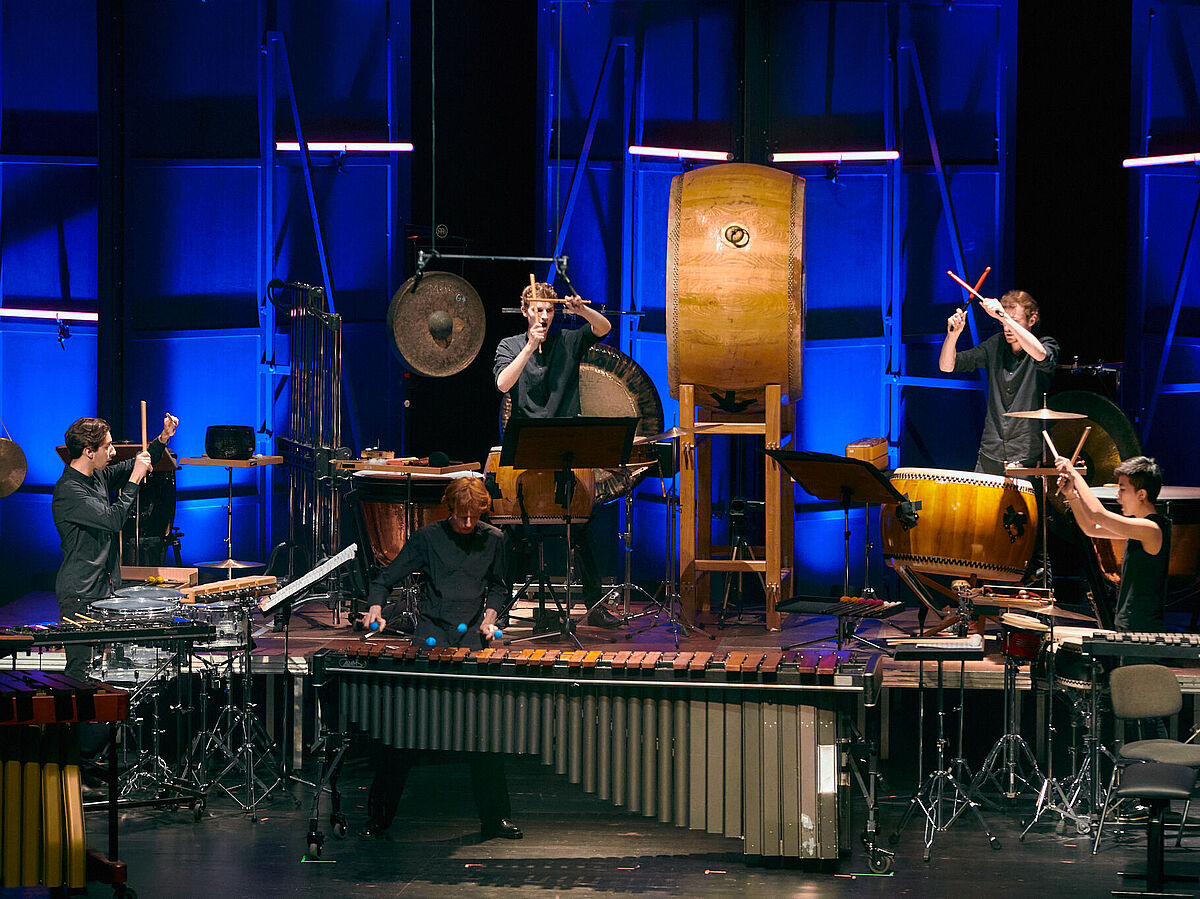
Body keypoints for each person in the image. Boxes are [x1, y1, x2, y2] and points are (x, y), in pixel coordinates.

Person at [361, 477, 521, 841]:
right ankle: (379, 817)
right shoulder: (427, 539)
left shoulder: (494, 539)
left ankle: (495, 818)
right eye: (461, 516)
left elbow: (499, 586)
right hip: (430, 639)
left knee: (485, 734)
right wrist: (375, 607)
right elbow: (385, 578)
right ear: (450, 509)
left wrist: (492, 615)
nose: (467, 523)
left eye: (473, 516)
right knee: (401, 733)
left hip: (470, 641)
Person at [493, 281, 619, 628]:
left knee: (585, 527)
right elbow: (503, 384)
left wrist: (581, 310)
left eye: (549, 310)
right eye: (538, 310)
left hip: (565, 449)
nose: (544, 316)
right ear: (525, 312)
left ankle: (594, 608)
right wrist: (530, 345)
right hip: (526, 454)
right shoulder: (510, 345)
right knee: (508, 533)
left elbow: (603, 328)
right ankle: (499, 609)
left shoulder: (569, 340)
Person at [52, 412, 179, 679]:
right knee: (81, 670)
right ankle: (79, 721)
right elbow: (112, 520)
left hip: (102, 588)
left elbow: (134, 464)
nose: (112, 452)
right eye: (107, 446)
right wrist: (134, 478)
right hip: (80, 595)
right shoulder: (69, 490)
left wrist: (161, 439)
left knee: (104, 668)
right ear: (88, 451)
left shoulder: (96, 477)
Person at [939, 290, 1060, 475]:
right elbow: (947, 366)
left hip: (1025, 454)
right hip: (991, 450)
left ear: (1032, 320)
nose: (1007, 328)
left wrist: (1004, 317)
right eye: (1002, 322)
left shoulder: (1046, 343)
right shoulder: (995, 344)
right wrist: (953, 336)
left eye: (1015, 321)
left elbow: (1041, 355)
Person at [1054, 454, 1170, 634]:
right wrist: (1071, 494)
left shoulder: (1151, 529)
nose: (1118, 497)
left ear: (1141, 494)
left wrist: (1074, 474)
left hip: (1144, 629)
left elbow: (1098, 514)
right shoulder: (1138, 528)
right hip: (1129, 624)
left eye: (1122, 490)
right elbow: (1091, 528)